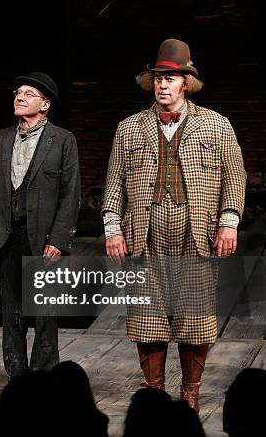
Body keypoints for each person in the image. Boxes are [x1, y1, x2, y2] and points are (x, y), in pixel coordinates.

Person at [102, 39, 246, 413]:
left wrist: (229, 223)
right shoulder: (130, 128)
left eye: (172, 78)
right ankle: (153, 391)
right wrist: (112, 228)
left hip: (196, 234)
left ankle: (191, 391)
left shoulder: (216, 125)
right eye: (158, 78)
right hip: (145, 235)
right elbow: (114, 183)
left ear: (187, 82)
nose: (163, 84)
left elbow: (235, 179)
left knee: (195, 317)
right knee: (147, 317)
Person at [0, 71, 81, 379]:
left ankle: (44, 382)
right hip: (6, 237)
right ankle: (17, 382)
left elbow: (70, 194)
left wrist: (59, 240)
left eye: (28, 94)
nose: (19, 97)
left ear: (45, 104)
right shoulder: (0, 138)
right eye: (17, 93)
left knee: (45, 316)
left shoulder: (62, 140)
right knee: (12, 315)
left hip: (44, 239)